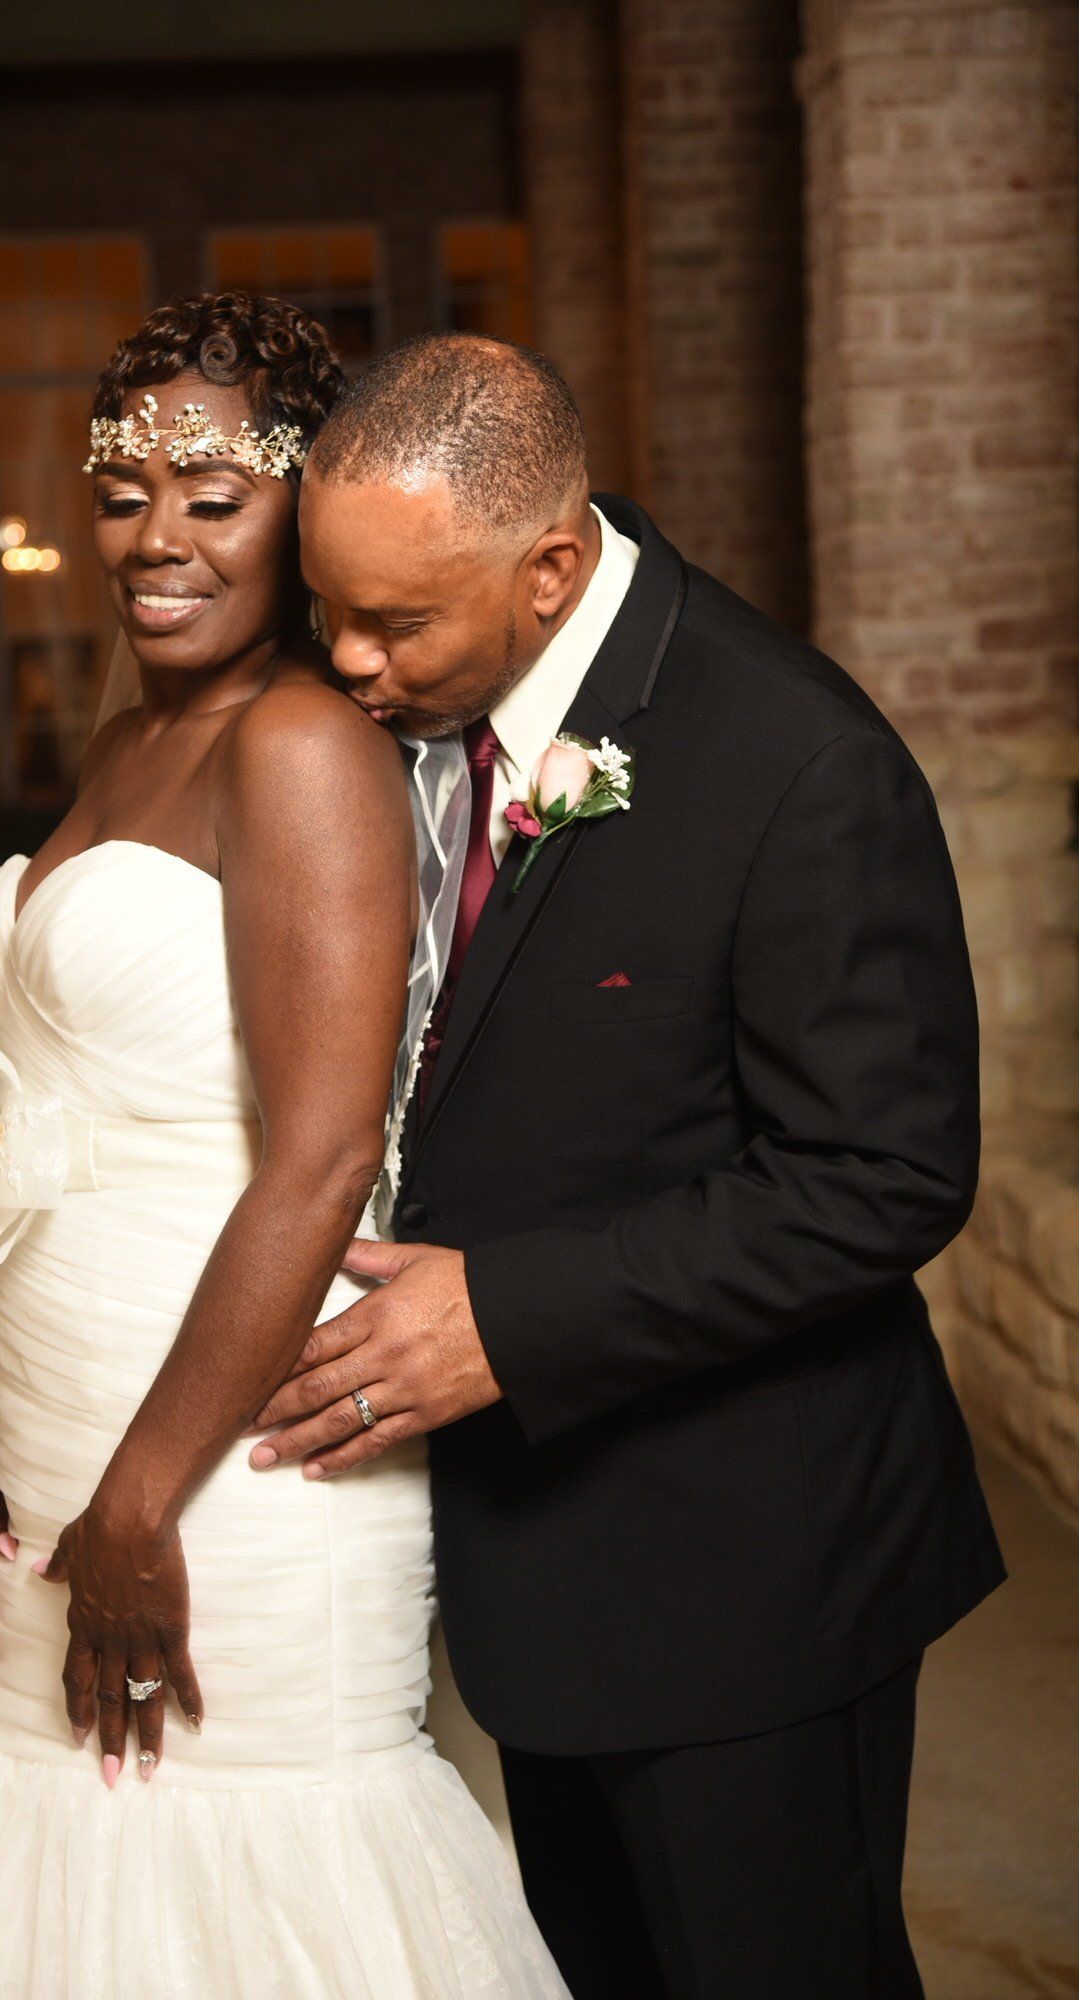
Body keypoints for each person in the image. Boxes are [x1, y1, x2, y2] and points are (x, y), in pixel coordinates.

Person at [0, 297, 568, 2000]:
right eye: (122, 489)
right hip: (67, 1386)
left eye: (216, 491)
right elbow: (72, 1102)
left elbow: (324, 1157)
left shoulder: (297, 746)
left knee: (240, 1866)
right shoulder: (127, 740)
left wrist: (138, 1500)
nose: (156, 537)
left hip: (227, 1451)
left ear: (304, 516)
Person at [247, 331, 1007, 2000]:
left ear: (553, 569)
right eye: (330, 611)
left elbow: (886, 1175)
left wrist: (508, 1317)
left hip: (748, 1566)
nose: (350, 664)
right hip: (542, 1568)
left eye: (395, 624)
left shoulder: (795, 759)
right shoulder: (408, 704)